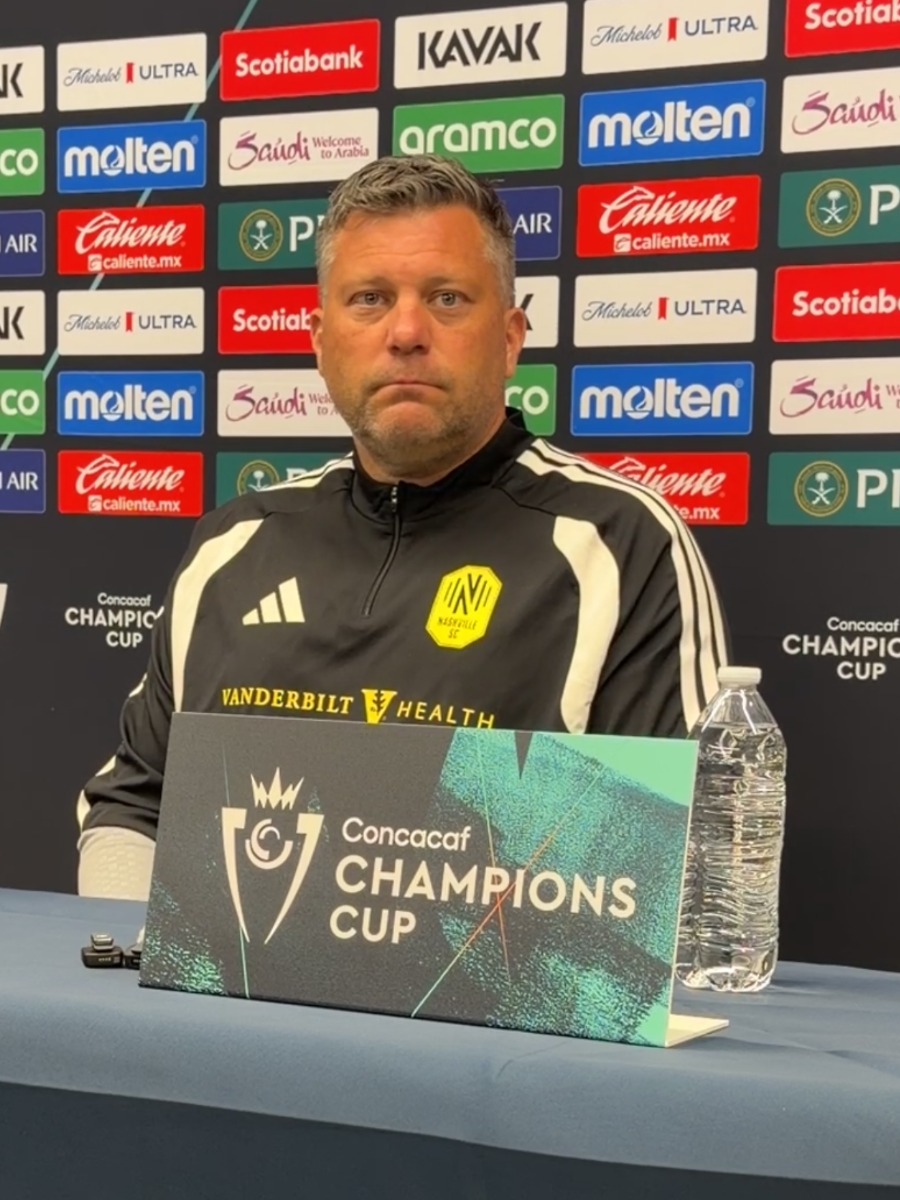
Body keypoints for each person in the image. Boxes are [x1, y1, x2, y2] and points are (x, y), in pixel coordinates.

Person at [77, 153, 730, 901]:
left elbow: (679, 861)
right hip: (225, 1016)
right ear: (320, 340)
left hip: (491, 1016)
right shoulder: (235, 546)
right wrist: (128, 986)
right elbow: (133, 809)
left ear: (511, 338)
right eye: (369, 299)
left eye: (449, 299)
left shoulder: (620, 543)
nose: (408, 331)